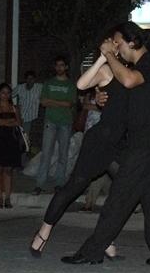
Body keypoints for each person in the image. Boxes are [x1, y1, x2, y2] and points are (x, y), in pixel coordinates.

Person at [62, 21, 150, 269]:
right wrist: (101, 97)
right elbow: (124, 93)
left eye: (118, 42)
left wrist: (106, 54)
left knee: (119, 197)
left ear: (133, 41)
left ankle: (92, 251)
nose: (115, 47)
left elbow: (128, 81)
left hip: (149, 144)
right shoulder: (135, 68)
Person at [30, 51, 129, 260]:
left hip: (120, 143)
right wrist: (103, 57)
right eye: (116, 45)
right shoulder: (106, 69)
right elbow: (81, 85)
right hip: (100, 141)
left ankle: (105, 238)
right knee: (73, 187)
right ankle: (43, 231)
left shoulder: (131, 74)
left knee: (126, 189)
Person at [32, 56, 77, 195]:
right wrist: (60, 102)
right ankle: (40, 184)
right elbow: (43, 102)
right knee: (46, 153)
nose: (59, 68)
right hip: (50, 121)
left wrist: (53, 101)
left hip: (65, 122)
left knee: (63, 155)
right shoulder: (48, 83)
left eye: (62, 65)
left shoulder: (70, 85)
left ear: (66, 67)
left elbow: (70, 103)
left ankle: (59, 183)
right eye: (57, 65)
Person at [0, 83, 23, 209]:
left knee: (8, 170)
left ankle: (8, 198)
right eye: (3, 92)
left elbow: (19, 122)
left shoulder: (14, 108)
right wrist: (10, 122)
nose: (6, 95)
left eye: (8, 93)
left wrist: (7, 122)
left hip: (11, 139)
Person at [12, 70, 42, 152]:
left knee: (31, 139)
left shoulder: (39, 87)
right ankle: (22, 157)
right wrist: (13, 108)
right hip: (22, 117)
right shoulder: (20, 87)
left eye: (32, 79)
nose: (30, 81)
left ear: (34, 79)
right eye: (28, 79)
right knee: (23, 138)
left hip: (34, 117)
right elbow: (9, 95)